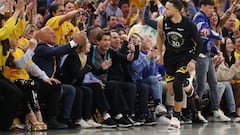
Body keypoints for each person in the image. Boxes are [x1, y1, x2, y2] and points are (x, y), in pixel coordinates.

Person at [156, 0, 203, 129]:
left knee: (177, 85)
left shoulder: (188, 24)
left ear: (177, 10)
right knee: (171, 91)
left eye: (168, 9)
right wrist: (160, 54)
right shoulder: (162, 21)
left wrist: (193, 60)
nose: (165, 11)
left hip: (184, 57)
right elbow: (159, 36)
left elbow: (199, 43)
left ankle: (175, 117)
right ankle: (187, 85)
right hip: (170, 57)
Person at [193, 0, 231, 122]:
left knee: (214, 83)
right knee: (201, 85)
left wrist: (216, 50)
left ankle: (216, 110)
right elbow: (207, 32)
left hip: (208, 56)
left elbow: (207, 40)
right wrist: (220, 37)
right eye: (209, 8)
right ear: (202, 6)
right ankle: (196, 112)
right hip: (200, 56)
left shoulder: (205, 18)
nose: (211, 11)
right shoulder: (199, 17)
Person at [0, 0, 26, 131]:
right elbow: (7, 30)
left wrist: (21, 12)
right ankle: (3, 124)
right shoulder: (2, 34)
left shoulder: (5, 36)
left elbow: (18, 30)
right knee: (11, 92)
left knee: (17, 93)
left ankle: (6, 122)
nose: (6, 26)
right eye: (4, 23)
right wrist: (15, 11)